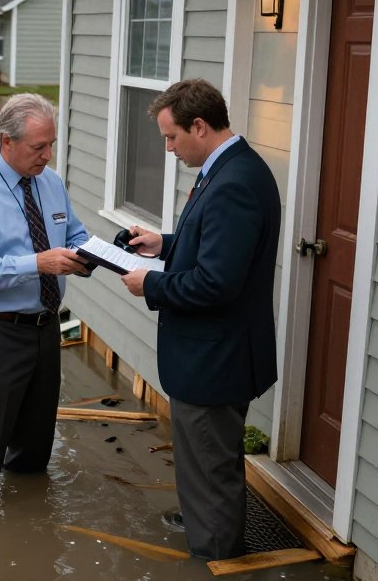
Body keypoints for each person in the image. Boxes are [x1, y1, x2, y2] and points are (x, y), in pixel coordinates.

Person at [120, 78, 281, 560]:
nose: (168, 148)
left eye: (171, 137)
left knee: (212, 475)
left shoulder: (235, 182)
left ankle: (215, 558)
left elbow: (216, 283)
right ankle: (208, 533)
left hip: (215, 361)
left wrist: (149, 283)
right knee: (205, 468)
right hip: (210, 357)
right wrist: (163, 244)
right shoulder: (225, 169)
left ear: (200, 126)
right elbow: (214, 247)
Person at [0, 93, 91, 498]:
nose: (46, 156)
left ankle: (26, 532)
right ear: (6, 142)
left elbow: (73, 232)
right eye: (37, 147)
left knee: (35, 448)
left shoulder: (51, 181)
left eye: (51, 145)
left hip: (45, 330)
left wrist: (91, 253)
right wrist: (38, 263)